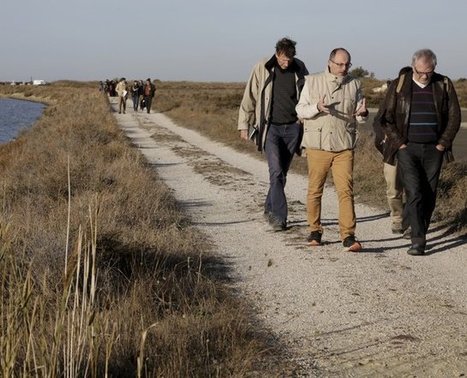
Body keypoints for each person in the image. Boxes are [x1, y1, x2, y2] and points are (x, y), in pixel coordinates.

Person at [380, 49, 461, 255]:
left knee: (429, 193)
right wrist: (400, 144)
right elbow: (386, 118)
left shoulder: (443, 84)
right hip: (408, 148)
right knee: (414, 192)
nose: (425, 76)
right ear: (413, 66)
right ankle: (418, 240)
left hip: (435, 148)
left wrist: (442, 143)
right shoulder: (400, 84)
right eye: (420, 72)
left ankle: (417, 226)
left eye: (429, 72)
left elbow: (454, 117)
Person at [296, 48, 368, 252]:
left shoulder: (355, 84)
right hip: (318, 145)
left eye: (347, 64)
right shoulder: (312, 81)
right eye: (340, 64)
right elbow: (300, 110)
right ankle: (314, 231)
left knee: (346, 191)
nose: (343, 68)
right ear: (329, 62)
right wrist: (317, 108)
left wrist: (363, 114)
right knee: (315, 190)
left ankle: (348, 236)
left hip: (344, 145)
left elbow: (360, 117)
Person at [238, 37, 308, 231]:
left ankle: (269, 207)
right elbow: (249, 96)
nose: (287, 63)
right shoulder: (262, 67)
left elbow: (308, 95)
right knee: (275, 171)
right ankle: (279, 217)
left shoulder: (300, 67)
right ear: (277, 54)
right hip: (271, 128)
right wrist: (244, 125)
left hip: (293, 128)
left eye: (290, 59)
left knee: (282, 174)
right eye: (284, 59)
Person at [372, 66, 412, 235]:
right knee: (393, 189)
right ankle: (397, 218)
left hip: (413, 150)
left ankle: (411, 222)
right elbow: (378, 122)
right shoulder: (390, 98)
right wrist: (385, 139)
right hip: (392, 152)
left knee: (413, 189)